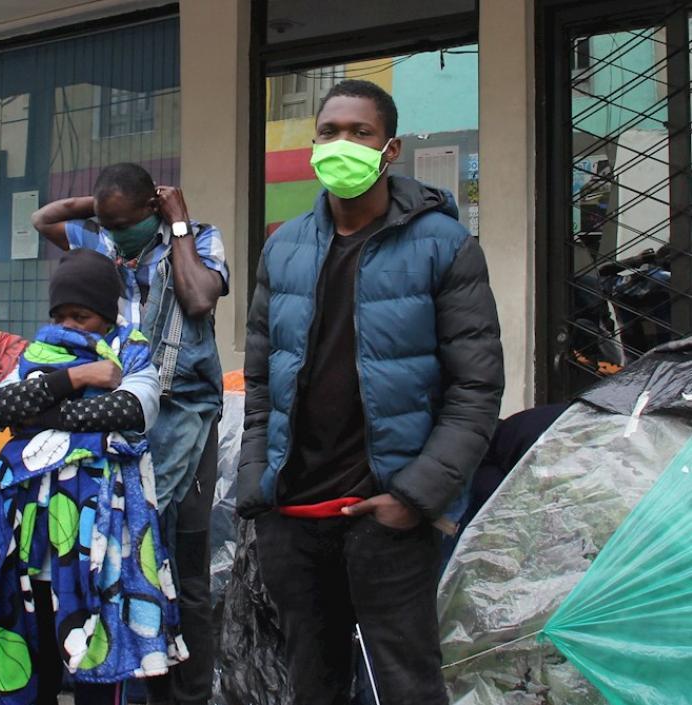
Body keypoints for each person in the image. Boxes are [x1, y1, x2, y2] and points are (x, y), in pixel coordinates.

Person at [237, 79, 504, 705]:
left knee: (407, 682)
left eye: (360, 132)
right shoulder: (284, 248)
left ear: (391, 148)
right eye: (330, 132)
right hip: (295, 518)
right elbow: (258, 381)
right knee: (315, 684)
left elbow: (477, 387)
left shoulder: (445, 247)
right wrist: (258, 483)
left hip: (386, 518)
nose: (343, 144)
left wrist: (413, 498)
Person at [0, 248, 187, 705]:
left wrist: (39, 414)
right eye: (61, 316)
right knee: (35, 662)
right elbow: (0, 408)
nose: (70, 327)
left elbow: (131, 409)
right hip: (32, 547)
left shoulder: (131, 354)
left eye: (82, 316)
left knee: (99, 671)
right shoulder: (34, 354)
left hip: (101, 548)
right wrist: (78, 377)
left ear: (105, 314)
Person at [31, 164, 227, 705]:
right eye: (107, 222)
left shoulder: (200, 238)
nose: (116, 233)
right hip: (114, 415)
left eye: (125, 221)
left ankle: (186, 697)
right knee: (126, 553)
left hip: (184, 415)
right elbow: (42, 217)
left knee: (182, 567)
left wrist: (180, 222)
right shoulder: (101, 238)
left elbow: (200, 299)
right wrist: (98, 209)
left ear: (153, 207)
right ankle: (135, 681)